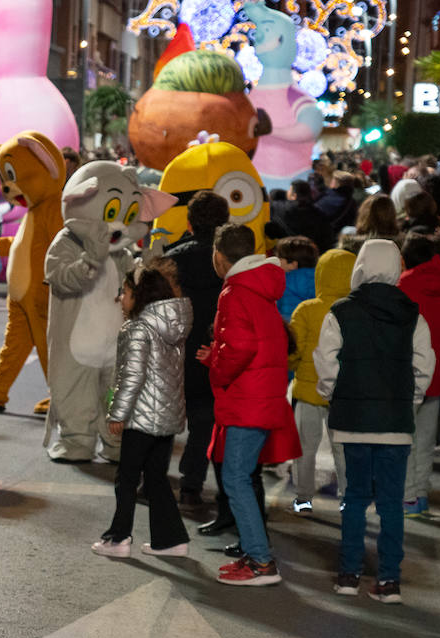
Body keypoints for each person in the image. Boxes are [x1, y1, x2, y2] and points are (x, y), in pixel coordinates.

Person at [315, 239, 435, 603]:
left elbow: (326, 362)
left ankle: (349, 575)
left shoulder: (340, 312)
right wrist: (409, 401)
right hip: (395, 424)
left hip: (352, 421)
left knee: (354, 499)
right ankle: (389, 581)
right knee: (391, 503)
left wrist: (334, 394)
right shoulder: (413, 315)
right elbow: (424, 365)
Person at [201, 222, 296, 586]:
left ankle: (260, 561)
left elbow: (240, 346)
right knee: (242, 476)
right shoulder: (260, 286)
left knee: (236, 478)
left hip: (247, 397)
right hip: (262, 393)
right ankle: (255, 554)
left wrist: (217, 368)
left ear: (219, 256)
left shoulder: (235, 291)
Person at [93, 261, 192, 558]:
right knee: (156, 477)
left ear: (140, 296)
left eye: (124, 292)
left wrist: (117, 413)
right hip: (167, 416)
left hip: (141, 415)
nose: (120, 298)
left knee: (126, 478)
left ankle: (118, 538)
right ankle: (171, 539)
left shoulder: (137, 328)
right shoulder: (173, 326)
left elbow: (131, 375)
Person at [166, 191, 229, 506]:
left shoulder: (172, 258)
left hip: (174, 347)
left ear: (189, 223)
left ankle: (152, 479)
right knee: (204, 421)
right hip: (211, 347)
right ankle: (192, 484)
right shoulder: (229, 261)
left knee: (162, 419)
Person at [287, 249, 354, 514]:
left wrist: (294, 369)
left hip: (307, 390)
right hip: (345, 393)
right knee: (343, 449)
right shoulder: (356, 311)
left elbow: (294, 350)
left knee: (305, 449)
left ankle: (303, 498)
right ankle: (348, 498)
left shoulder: (306, 309)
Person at [394, 233, 440, 517]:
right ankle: (421, 494)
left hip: (407, 374)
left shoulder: (403, 286)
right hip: (437, 375)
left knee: (405, 439)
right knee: (426, 439)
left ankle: (408, 496)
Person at [272, 179, 334, 251]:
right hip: (311, 253)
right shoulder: (320, 214)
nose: (287, 192)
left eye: (289, 190)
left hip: (286, 251)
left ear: (294, 196)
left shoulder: (281, 208)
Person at [273, 236, 318, 322]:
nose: (277, 261)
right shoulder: (320, 279)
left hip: (290, 324)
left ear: (293, 264)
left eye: (279, 258)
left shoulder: (284, 281)